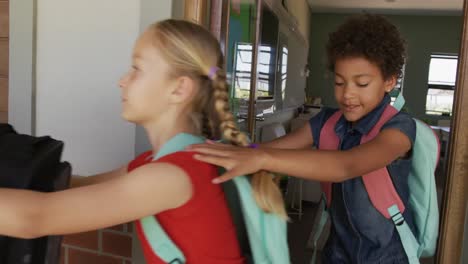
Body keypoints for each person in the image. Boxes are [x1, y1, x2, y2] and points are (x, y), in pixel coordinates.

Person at [0, 19, 286, 264]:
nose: (122, 81)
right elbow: (75, 186)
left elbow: (34, 218)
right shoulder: (159, 162)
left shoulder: (171, 175)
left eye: (136, 69)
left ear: (179, 88)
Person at [189, 14, 418, 263]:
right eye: (340, 82)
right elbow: (268, 149)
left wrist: (261, 157)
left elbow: (346, 165)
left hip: (388, 256)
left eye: (361, 84)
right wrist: (236, 150)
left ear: (389, 82)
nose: (347, 94)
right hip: (338, 253)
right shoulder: (326, 122)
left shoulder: (399, 128)